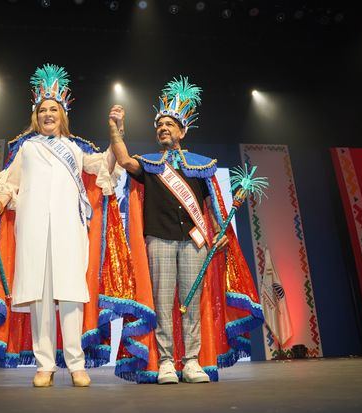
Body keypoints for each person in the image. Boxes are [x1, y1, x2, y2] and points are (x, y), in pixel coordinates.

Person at [0, 64, 156, 387]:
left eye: (53, 109)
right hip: (33, 230)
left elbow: (104, 167)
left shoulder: (75, 148)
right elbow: (9, 187)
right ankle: (45, 365)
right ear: (36, 116)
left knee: (70, 295)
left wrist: (116, 133)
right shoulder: (26, 147)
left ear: (62, 115)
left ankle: (76, 364)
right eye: (43, 110)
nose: (48, 114)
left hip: (69, 231)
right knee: (39, 298)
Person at [108, 77, 264, 384]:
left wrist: (220, 232)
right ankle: (166, 361)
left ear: (182, 131)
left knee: (193, 302)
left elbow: (214, 207)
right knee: (163, 301)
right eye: (159, 125)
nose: (163, 128)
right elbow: (124, 160)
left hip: (195, 243)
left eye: (169, 124)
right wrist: (116, 129)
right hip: (159, 239)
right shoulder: (149, 164)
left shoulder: (202, 165)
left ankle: (191, 361)